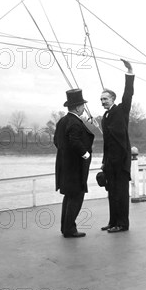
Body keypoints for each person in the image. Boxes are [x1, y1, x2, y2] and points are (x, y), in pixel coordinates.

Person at [54, 89, 94, 238]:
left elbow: (56, 141)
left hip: (64, 166)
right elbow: (75, 141)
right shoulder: (75, 122)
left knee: (68, 197)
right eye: (82, 105)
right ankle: (70, 229)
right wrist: (86, 154)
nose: (83, 108)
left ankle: (65, 228)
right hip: (75, 168)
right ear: (77, 107)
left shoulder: (62, 121)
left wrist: (65, 154)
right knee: (77, 196)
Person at [100, 60, 134, 233]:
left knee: (121, 194)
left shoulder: (122, 110)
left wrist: (129, 71)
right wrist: (104, 162)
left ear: (113, 99)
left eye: (105, 99)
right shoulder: (104, 117)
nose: (103, 102)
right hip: (110, 163)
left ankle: (122, 224)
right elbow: (107, 143)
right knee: (111, 193)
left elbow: (128, 94)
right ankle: (113, 222)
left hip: (121, 162)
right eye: (101, 100)